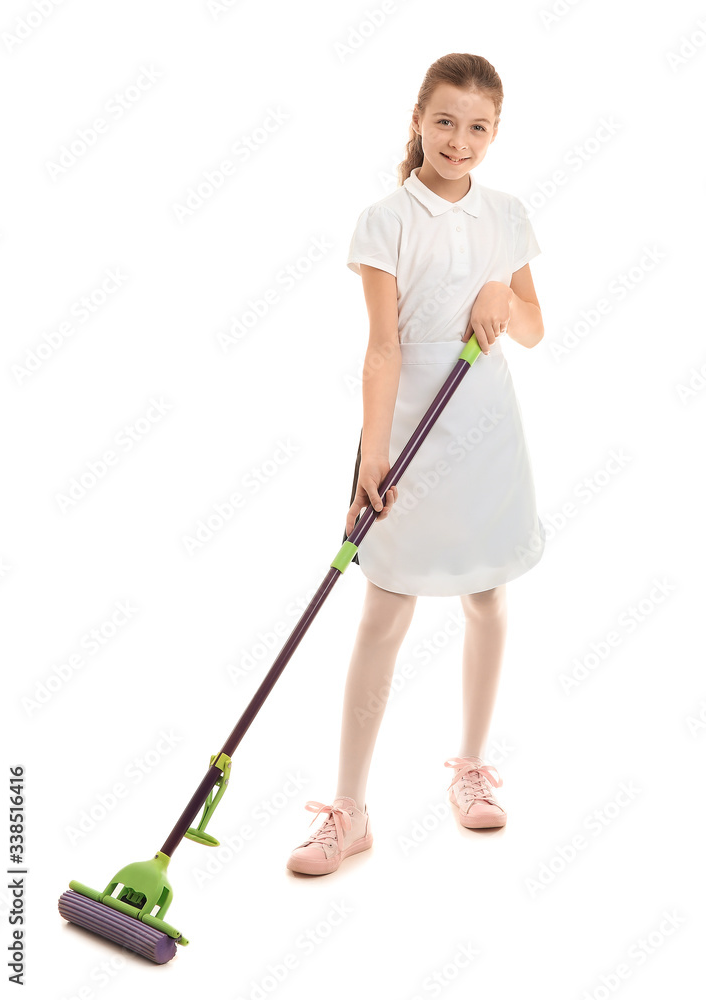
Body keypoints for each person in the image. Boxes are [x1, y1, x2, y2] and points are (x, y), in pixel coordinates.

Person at [287, 52, 546, 876]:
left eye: (477, 127)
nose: (458, 140)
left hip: (487, 429)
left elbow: (534, 328)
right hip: (406, 434)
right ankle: (350, 810)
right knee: (384, 610)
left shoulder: (507, 215)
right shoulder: (384, 219)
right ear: (417, 120)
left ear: (496, 131)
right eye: (444, 121)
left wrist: (505, 294)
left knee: (486, 595)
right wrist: (373, 454)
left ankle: (470, 769)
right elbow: (383, 347)